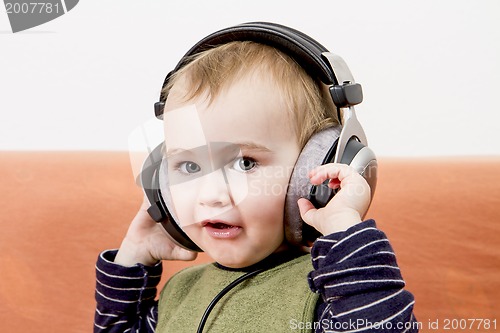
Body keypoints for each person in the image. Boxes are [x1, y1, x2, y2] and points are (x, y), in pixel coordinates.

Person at [94, 26, 418, 333]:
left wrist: (345, 230)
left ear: (314, 172)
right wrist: (133, 255)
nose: (212, 195)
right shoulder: (180, 295)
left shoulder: (329, 296)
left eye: (245, 163)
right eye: (189, 167)